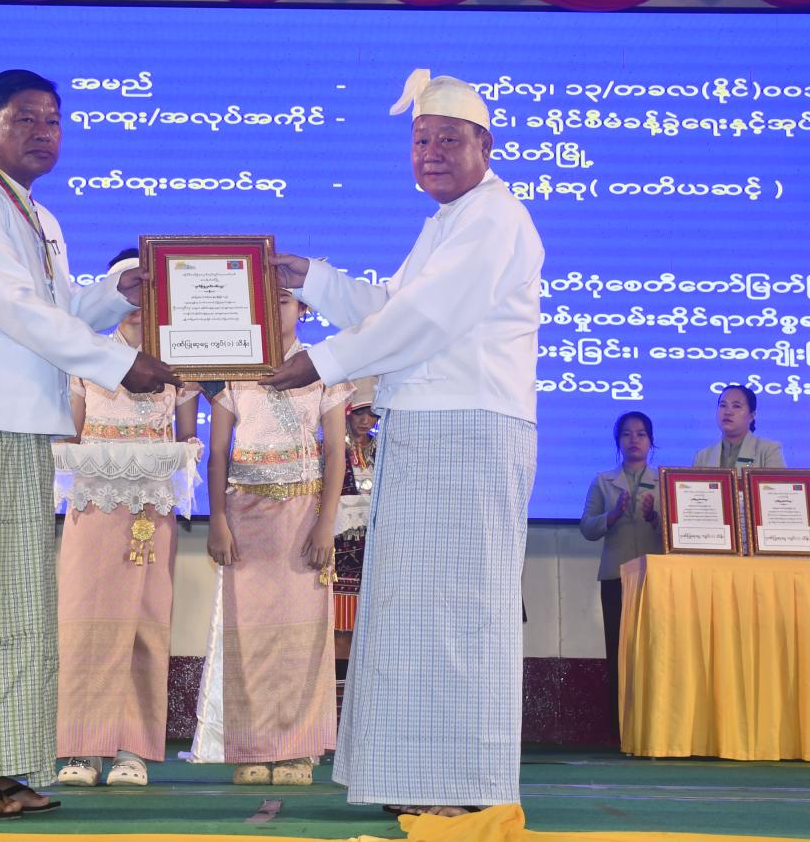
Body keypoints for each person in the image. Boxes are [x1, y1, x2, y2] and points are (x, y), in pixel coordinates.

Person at [0, 69, 180, 821]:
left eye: (53, 120)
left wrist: (120, 291)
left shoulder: (37, 215)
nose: (43, 133)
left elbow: (58, 308)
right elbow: (13, 308)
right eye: (25, 119)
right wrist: (121, 362)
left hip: (19, 424)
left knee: (14, 605)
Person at [263, 68, 544, 817]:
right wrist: (312, 279)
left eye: (448, 139)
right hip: (431, 430)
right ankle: (420, 778)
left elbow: (423, 321)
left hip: (469, 430)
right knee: (416, 612)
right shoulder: (447, 223)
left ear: (485, 146)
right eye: (420, 140)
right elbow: (394, 305)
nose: (431, 153)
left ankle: (462, 786)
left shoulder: (495, 218)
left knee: (458, 614)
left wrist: (318, 363)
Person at [54, 249, 203, 789]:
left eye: (147, 291)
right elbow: (71, 436)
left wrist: (179, 456)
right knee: (84, 622)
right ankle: (81, 750)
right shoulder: (84, 356)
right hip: (93, 506)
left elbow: (189, 439)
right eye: (129, 291)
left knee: (145, 621)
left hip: (150, 509)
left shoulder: (177, 363)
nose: (139, 303)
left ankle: (132, 750)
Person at [189, 289, 351, 786]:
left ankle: (299, 751)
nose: (276, 309)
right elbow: (219, 452)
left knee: (303, 634)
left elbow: (335, 452)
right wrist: (218, 519)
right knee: (249, 633)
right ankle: (251, 746)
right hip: (245, 515)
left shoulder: (324, 367)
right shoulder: (235, 367)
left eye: (286, 301)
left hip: (303, 516)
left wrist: (325, 523)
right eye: (269, 300)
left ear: (304, 309)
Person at [577, 411, 662, 744]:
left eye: (641, 434)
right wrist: (611, 516)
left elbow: (676, 530)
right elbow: (587, 527)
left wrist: (654, 518)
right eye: (627, 434)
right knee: (618, 652)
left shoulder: (665, 480)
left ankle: (655, 725)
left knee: (656, 651)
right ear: (618, 441)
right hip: (616, 578)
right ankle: (621, 730)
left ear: (651, 441)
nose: (634, 440)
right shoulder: (603, 481)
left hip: (656, 578)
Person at [333, 378, 379, 666]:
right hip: (339, 546)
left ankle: (361, 686)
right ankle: (337, 687)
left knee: (370, 628)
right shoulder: (332, 448)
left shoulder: (384, 448)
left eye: (372, 414)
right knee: (339, 625)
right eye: (359, 413)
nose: (365, 421)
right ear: (347, 412)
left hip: (375, 547)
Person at [692, 383, 785, 469]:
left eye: (736, 406)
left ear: (751, 416)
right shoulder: (702, 457)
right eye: (723, 405)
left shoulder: (768, 451)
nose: (728, 412)